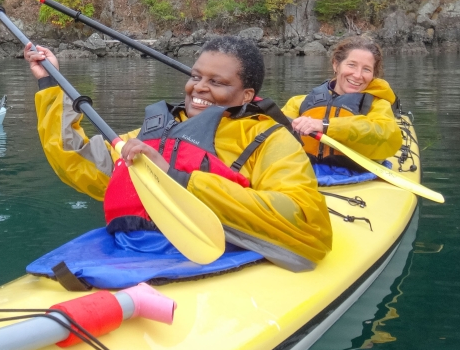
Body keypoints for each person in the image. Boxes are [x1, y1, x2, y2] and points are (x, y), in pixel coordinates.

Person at [25, 36, 332, 272]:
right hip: (137, 251)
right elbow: (76, 162)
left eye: (217, 82)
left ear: (247, 95)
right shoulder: (157, 132)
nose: (199, 88)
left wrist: (179, 180)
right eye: (196, 76)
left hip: (221, 253)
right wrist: (49, 81)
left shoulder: (268, 139)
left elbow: (305, 218)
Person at [282, 36, 402, 168]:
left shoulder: (377, 104)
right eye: (351, 65)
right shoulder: (298, 102)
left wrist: (326, 126)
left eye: (366, 69)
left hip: (356, 174)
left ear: (373, 74)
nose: (357, 75)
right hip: (303, 170)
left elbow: (386, 135)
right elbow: (274, 133)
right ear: (336, 64)